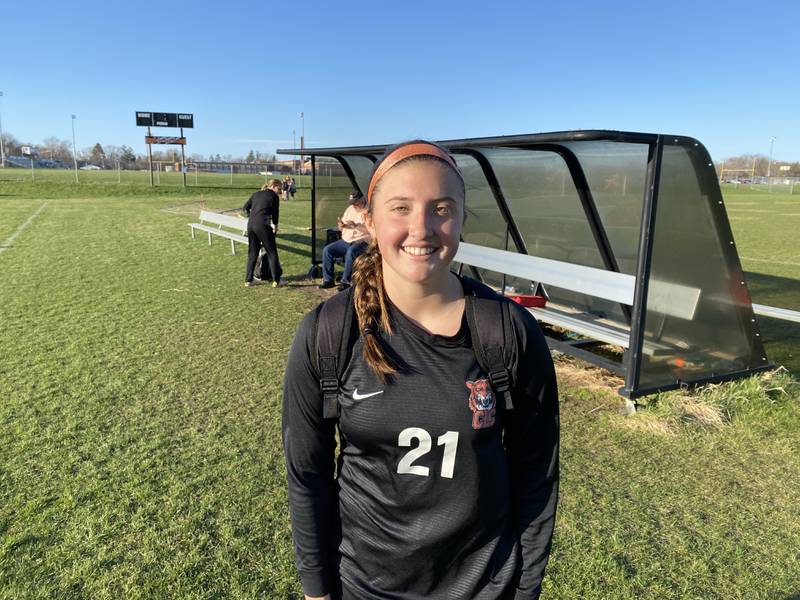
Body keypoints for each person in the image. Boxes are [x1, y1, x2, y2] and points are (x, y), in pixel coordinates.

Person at [282, 141, 559, 599]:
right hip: (365, 588)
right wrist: (316, 590)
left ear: (463, 217)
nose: (421, 228)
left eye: (442, 208)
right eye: (400, 208)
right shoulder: (329, 334)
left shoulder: (509, 332)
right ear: (369, 219)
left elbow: (537, 472)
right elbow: (307, 473)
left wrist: (525, 589)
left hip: (484, 589)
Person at [318, 190, 370, 291]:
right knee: (327, 250)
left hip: (362, 241)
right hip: (347, 240)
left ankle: (345, 282)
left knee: (351, 252)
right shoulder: (350, 209)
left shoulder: (369, 210)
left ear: (362, 199)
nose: (353, 205)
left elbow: (372, 228)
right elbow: (342, 225)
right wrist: (341, 225)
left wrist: (356, 225)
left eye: (355, 202)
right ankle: (328, 280)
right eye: (352, 203)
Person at [242, 179, 284, 287]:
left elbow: (245, 208)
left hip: (251, 225)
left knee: (252, 253)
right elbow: (275, 213)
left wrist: (252, 216)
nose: (279, 191)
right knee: (272, 252)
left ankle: (248, 280)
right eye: (279, 188)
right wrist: (276, 225)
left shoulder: (256, 194)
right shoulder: (274, 197)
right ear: (273, 186)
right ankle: (276, 280)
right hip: (263, 226)